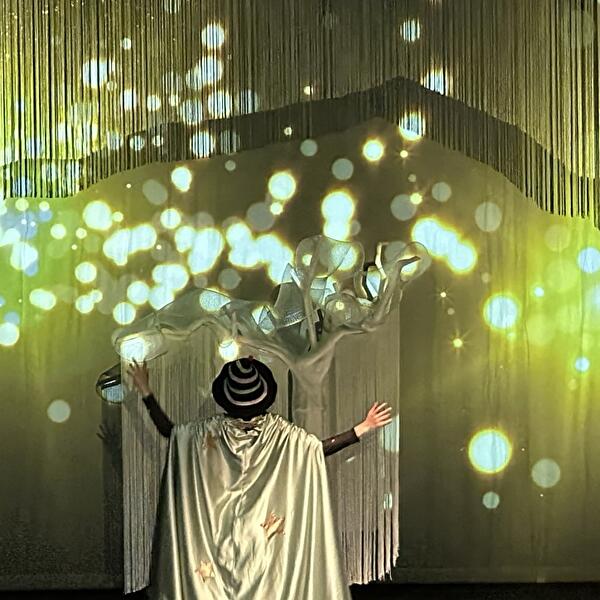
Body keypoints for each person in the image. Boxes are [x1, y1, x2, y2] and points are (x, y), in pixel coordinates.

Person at [128, 356, 393, 600]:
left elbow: (170, 431)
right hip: (263, 543)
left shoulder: (206, 433)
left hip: (219, 536)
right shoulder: (280, 434)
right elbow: (318, 449)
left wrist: (146, 393)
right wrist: (362, 428)